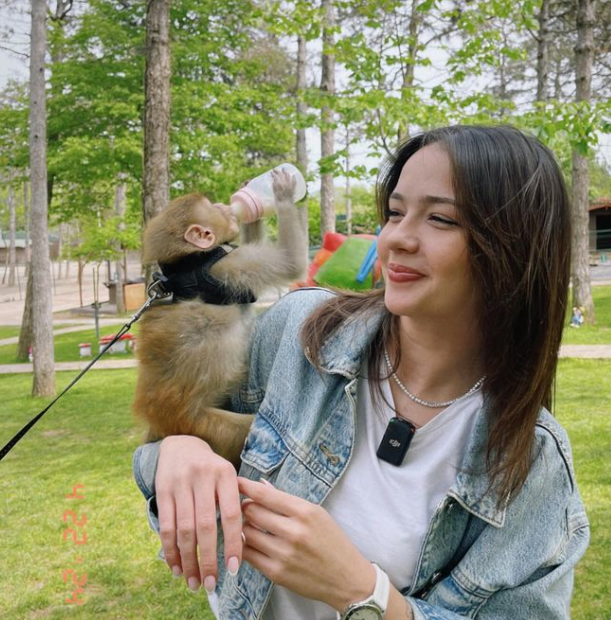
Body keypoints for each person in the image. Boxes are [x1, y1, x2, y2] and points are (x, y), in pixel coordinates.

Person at [132, 125, 590, 620]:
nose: (396, 238)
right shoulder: (298, 332)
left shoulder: (533, 463)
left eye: (439, 218)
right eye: (394, 212)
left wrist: (364, 593)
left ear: (514, 248)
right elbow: (174, 439)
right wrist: (174, 453)